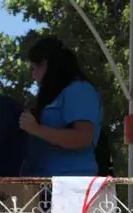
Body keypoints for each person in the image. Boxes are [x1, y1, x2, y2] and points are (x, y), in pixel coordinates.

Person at [18, 36, 104, 177]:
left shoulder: (79, 89)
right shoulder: (55, 95)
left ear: (45, 64)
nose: (32, 76)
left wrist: (36, 129)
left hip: (72, 186)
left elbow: (82, 137)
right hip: (43, 186)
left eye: (32, 68)